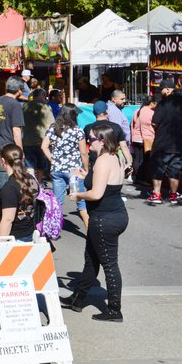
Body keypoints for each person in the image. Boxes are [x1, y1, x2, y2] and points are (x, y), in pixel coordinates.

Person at [65, 124, 129, 322]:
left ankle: (114, 310)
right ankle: (78, 299)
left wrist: (78, 195)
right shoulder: (114, 157)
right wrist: (86, 176)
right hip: (114, 215)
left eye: (91, 139)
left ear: (102, 141)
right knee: (91, 259)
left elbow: (96, 194)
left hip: (104, 219)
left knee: (109, 264)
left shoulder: (102, 160)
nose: (88, 141)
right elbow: (106, 182)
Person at [42, 104, 89, 228]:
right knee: (80, 201)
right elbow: (83, 153)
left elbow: (44, 147)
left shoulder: (53, 129)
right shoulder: (78, 131)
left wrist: (53, 160)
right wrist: (86, 169)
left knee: (58, 201)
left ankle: (53, 228)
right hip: (74, 171)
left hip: (57, 169)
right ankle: (89, 228)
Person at [149, 86, 182, 205]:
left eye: (162, 89)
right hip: (179, 143)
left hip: (162, 143)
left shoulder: (162, 104)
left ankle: (157, 194)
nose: (160, 92)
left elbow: (154, 122)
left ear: (168, 89)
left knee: (158, 168)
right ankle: (173, 195)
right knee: (175, 169)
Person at [0, 143, 39, 242]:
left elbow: (8, 220)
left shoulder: (9, 188)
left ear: (2, 161)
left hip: (15, 239)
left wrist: (1, 245)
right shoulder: (31, 179)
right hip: (30, 233)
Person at [84, 101, 132, 174]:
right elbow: (124, 146)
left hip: (95, 162)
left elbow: (84, 148)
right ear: (107, 111)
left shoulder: (88, 128)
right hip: (113, 162)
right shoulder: (116, 127)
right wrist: (129, 163)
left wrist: (86, 168)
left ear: (94, 113)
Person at [0, 76, 26, 152]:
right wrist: (20, 151)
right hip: (8, 148)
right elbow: (16, 130)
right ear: (19, 90)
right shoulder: (15, 105)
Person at [22, 89, 55, 177]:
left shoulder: (25, 106)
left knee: (30, 165)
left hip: (27, 140)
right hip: (41, 140)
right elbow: (51, 124)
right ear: (42, 96)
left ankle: (32, 183)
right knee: (41, 165)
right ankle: (39, 183)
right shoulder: (46, 107)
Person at [130, 96, 157, 187]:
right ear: (151, 103)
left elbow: (132, 124)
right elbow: (152, 126)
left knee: (137, 159)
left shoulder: (137, 111)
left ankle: (135, 177)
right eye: (155, 103)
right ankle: (140, 179)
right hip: (145, 139)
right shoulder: (151, 112)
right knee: (144, 160)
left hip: (136, 138)